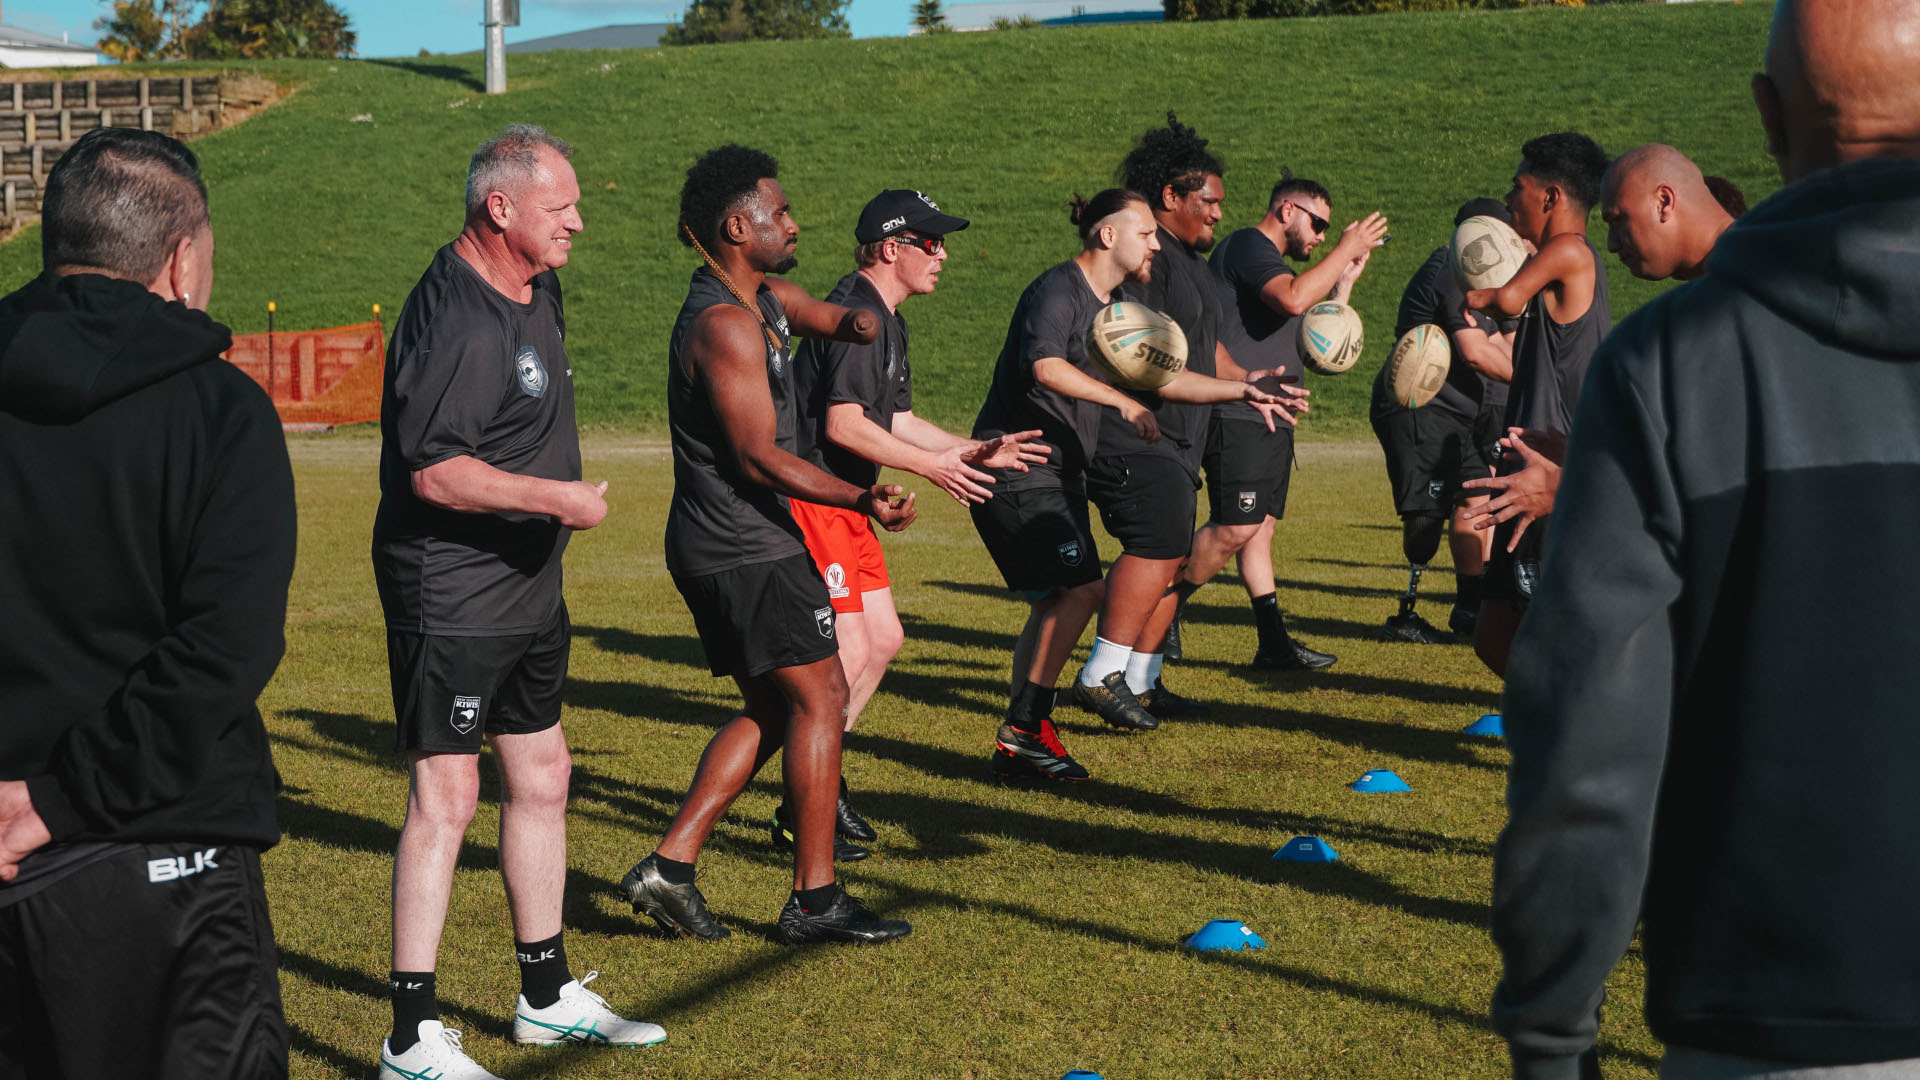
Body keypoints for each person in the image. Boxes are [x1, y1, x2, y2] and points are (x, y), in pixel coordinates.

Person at [1491, 1, 1920, 1074]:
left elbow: (1587, 738)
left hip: (1781, 1012)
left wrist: (1550, 1035)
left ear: (1768, 117)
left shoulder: (1669, 367)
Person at [0, 127, 294, 1080]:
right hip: (164, 854)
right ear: (181, 262)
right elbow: (224, 648)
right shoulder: (221, 412)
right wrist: (62, 798)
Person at [374, 125, 660, 1080]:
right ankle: (411, 1038)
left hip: (527, 592)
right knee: (447, 794)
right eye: (560, 206)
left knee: (543, 775)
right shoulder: (456, 316)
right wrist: (557, 499)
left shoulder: (539, 287)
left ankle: (544, 998)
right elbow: (435, 473)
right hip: (450, 593)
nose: (579, 220)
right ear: (500, 210)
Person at [620, 145, 917, 946]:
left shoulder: (765, 297)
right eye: (778, 213)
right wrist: (863, 496)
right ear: (734, 226)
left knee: (770, 705)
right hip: (740, 544)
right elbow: (758, 456)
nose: (793, 223)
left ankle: (670, 868)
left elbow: (835, 316)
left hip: (742, 542)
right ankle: (815, 902)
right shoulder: (722, 324)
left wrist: (865, 317)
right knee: (821, 697)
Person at [786, 189, 1047, 844]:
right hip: (813, 499)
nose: (944, 254)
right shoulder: (857, 315)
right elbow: (844, 425)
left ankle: (817, 786)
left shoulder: (886, 318)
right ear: (892, 248)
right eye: (931, 243)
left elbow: (893, 421)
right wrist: (931, 468)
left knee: (884, 640)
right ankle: (806, 800)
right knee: (849, 647)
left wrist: (971, 451)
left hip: (847, 505)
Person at [1073, 113, 1297, 726]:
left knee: (1173, 556)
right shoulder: (1151, 260)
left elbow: (1205, 349)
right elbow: (1129, 345)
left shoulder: (1192, 266)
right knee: (1159, 548)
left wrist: (1246, 383)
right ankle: (1102, 672)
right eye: (1209, 201)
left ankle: (1143, 681)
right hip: (1143, 432)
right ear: (1170, 197)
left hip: (1185, 435)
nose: (1219, 214)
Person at [1464, 147, 1738, 568]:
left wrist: (1568, 483)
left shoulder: (1745, 292)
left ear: (1663, 201)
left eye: (1617, 221)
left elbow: (1721, 467)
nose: (1609, 245)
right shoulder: (1718, 290)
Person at [972, 188, 1162, 782]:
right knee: (1082, 592)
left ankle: (1021, 735)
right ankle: (1026, 728)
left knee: (1059, 599)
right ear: (1108, 236)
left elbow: (1160, 370)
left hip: (1057, 473)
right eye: (1147, 232)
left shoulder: (1118, 304)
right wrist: (1123, 404)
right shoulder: (1058, 290)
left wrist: (1241, 389)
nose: (1156, 242)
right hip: (1021, 467)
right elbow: (1044, 365)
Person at [1175, 170, 1384, 667]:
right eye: (1318, 225)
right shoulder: (1249, 245)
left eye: (1330, 232)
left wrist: (1344, 284)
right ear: (1287, 210)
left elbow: (1317, 340)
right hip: (1239, 408)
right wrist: (1346, 248)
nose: (1321, 238)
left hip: (1274, 414)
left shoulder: (1284, 272)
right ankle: (1157, 612)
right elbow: (1292, 298)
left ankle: (1272, 644)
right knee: (1237, 525)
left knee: (1259, 528)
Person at [1459, 131, 1611, 677]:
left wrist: (1468, 291)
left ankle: (1589, 732)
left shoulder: (1570, 251)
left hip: (1551, 467)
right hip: (1521, 459)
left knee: (1551, 621)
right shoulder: (1552, 257)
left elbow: (1505, 298)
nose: (1507, 199)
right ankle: (1562, 724)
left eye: (1517, 186)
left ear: (1549, 197)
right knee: (1494, 632)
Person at [1367, 197, 1518, 644]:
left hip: (1460, 414)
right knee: (1425, 520)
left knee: (1476, 501)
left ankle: (1470, 607)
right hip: (1419, 407)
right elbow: (1478, 352)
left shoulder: (1490, 279)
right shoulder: (1452, 271)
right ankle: (1406, 614)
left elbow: (1512, 346)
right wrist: (1546, 383)